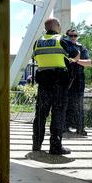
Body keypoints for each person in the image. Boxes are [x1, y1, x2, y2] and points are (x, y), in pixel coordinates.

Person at [32, 17, 79, 155]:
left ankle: (36, 144)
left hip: (44, 83)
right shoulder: (62, 40)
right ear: (57, 26)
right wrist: (68, 61)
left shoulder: (38, 42)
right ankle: (55, 146)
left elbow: (36, 58)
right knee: (58, 114)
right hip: (59, 83)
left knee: (40, 115)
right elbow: (76, 55)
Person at [64, 28, 92, 136]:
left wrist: (76, 60)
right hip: (65, 77)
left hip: (79, 78)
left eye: (75, 35)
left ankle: (80, 128)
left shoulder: (81, 47)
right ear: (67, 36)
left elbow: (89, 62)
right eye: (71, 36)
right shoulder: (63, 46)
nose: (73, 38)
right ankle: (64, 127)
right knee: (65, 103)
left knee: (79, 104)